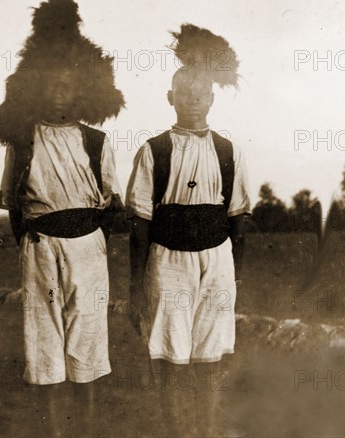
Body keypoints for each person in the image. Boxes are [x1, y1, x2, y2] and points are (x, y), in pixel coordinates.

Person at [0, 0, 125, 437]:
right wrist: (36, 240)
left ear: (82, 91)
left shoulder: (96, 142)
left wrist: (87, 240)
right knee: (45, 345)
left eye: (68, 87)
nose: (59, 95)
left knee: (87, 343)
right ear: (37, 90)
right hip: (40, 247)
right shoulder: (24, 142)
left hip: (88, 249)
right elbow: (14, 206)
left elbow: (109, 205)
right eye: (51, 87)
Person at [126, 24, 251, 437]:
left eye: (201, 94)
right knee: (172, 360)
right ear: (170, 98)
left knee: (210, 358)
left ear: (212, 99)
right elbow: (140, 222)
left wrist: (233, 273)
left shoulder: (229, 151)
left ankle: (209, 431)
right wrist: (135, 285)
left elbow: (238, 217)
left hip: (216, 261)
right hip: (168, 260)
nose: (193, 100)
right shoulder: (154, 150)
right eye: (185, 93)